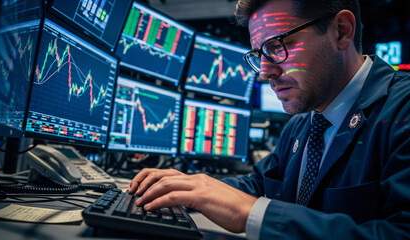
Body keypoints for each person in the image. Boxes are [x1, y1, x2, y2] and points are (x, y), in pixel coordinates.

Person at [127, 0, 410, 239]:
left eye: (277, 46)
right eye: (259, 55)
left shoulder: (402, 110)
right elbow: (260, 185)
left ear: (341, 31)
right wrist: (192, 187)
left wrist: (252, 213)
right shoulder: (302, 124)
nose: (264, 73)